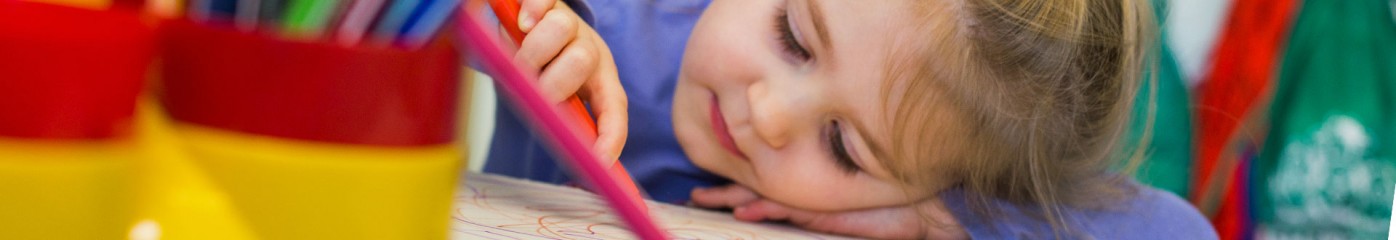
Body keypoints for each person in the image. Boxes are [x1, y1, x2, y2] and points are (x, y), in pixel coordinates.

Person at [484, 0, 1216, 238]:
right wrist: (539, 31)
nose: (767, 115)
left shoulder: (939, 191)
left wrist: (954, 212)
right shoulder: (609, 22)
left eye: (843, 147)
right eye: (793, 38)